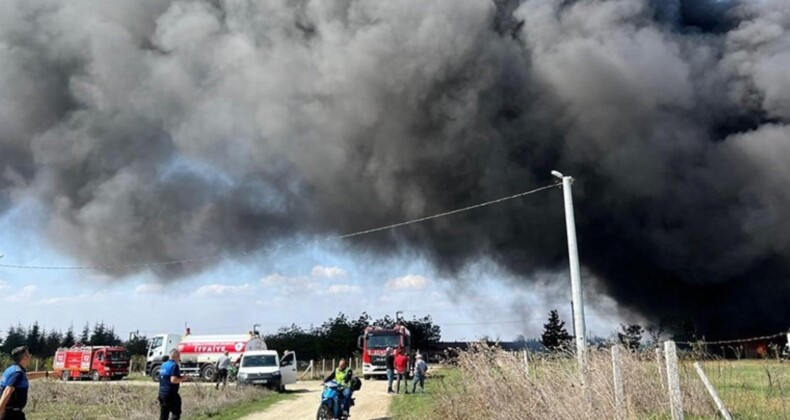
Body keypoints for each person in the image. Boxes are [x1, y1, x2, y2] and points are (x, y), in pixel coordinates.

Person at [0, 346, 31, 420]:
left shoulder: (12, 369)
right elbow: (7, 391)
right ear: (24, 357)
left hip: (10, 412)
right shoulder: (18, 373)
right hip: (12, 415)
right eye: (29, 354)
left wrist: (48, 374)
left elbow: (27, 376)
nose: (30, 356)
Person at [159, 349, 188, 420]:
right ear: (175, 355)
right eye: (179, 356)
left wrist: (180, 377)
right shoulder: (174, 365)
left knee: (164, 415)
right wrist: (183, 379)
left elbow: (166, 378)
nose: (179, 358)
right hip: (171, 394)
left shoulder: (163, 365)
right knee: (176, 413)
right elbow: (173, 380)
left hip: (162, 393)